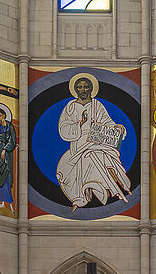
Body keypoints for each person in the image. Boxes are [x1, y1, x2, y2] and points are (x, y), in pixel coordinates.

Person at [54, 73, 133, 208]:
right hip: (78, 143)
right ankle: (82, 194)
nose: (83, 90)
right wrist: (79, 123)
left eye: (86, 87)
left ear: (90, 89)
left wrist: (117, 127)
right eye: (79, 87)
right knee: (64, 170)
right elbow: (63, 128)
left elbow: (107, 122)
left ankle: (99, 188)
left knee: (96, 157)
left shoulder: (97, 105)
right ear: (76, 89)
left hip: (97, 142)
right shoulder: (70, 106)